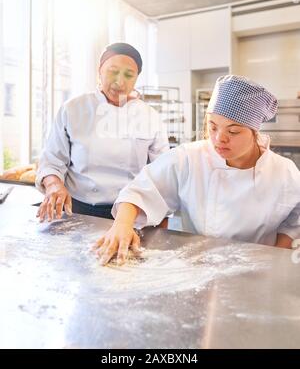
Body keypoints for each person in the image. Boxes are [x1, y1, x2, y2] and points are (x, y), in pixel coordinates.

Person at [94, 75, 300, 265]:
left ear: (254, 132)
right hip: (200, 267)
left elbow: (295, 220)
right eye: (212, 127)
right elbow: (141, 190)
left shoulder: (282, 172)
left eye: (233, 131)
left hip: (258, 273)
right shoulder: (190, 158)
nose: (220, 138)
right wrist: (122, 224)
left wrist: (275, 257)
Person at [36, 42, 169, 222]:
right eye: (113, 71)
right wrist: (53, 185)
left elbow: (162, 174)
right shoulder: (73, 109)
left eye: (129, 75)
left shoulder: (150, 117)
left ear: (137, 78)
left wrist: (162, 218)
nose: (119, 82)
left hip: (129, 214)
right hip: (75, 211)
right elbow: (52, 161)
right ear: (99, 70)